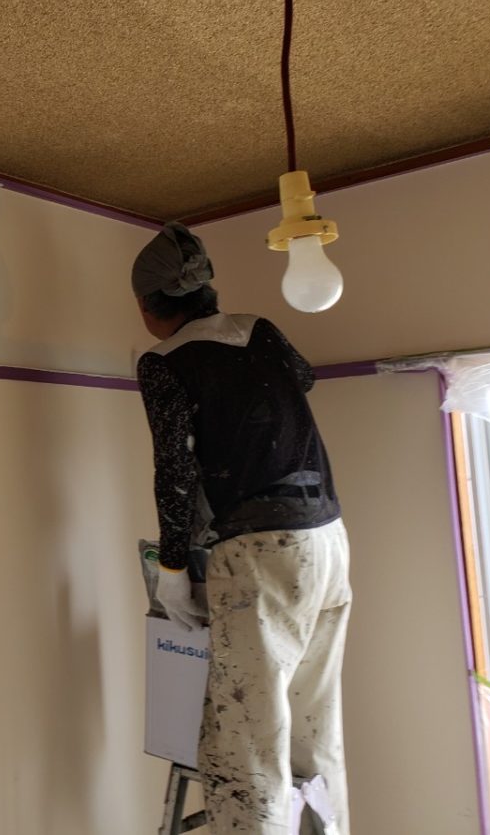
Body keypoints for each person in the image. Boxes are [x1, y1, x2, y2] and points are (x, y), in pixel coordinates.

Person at [133, 222, 352, 834]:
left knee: (247, 744)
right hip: (327, 539)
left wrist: (173, 567)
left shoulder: (164, 362)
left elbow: (174, 471)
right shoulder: (260, 330)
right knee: (314, 727)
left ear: (149, 305)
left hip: (261, 553)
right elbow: (302, 377)